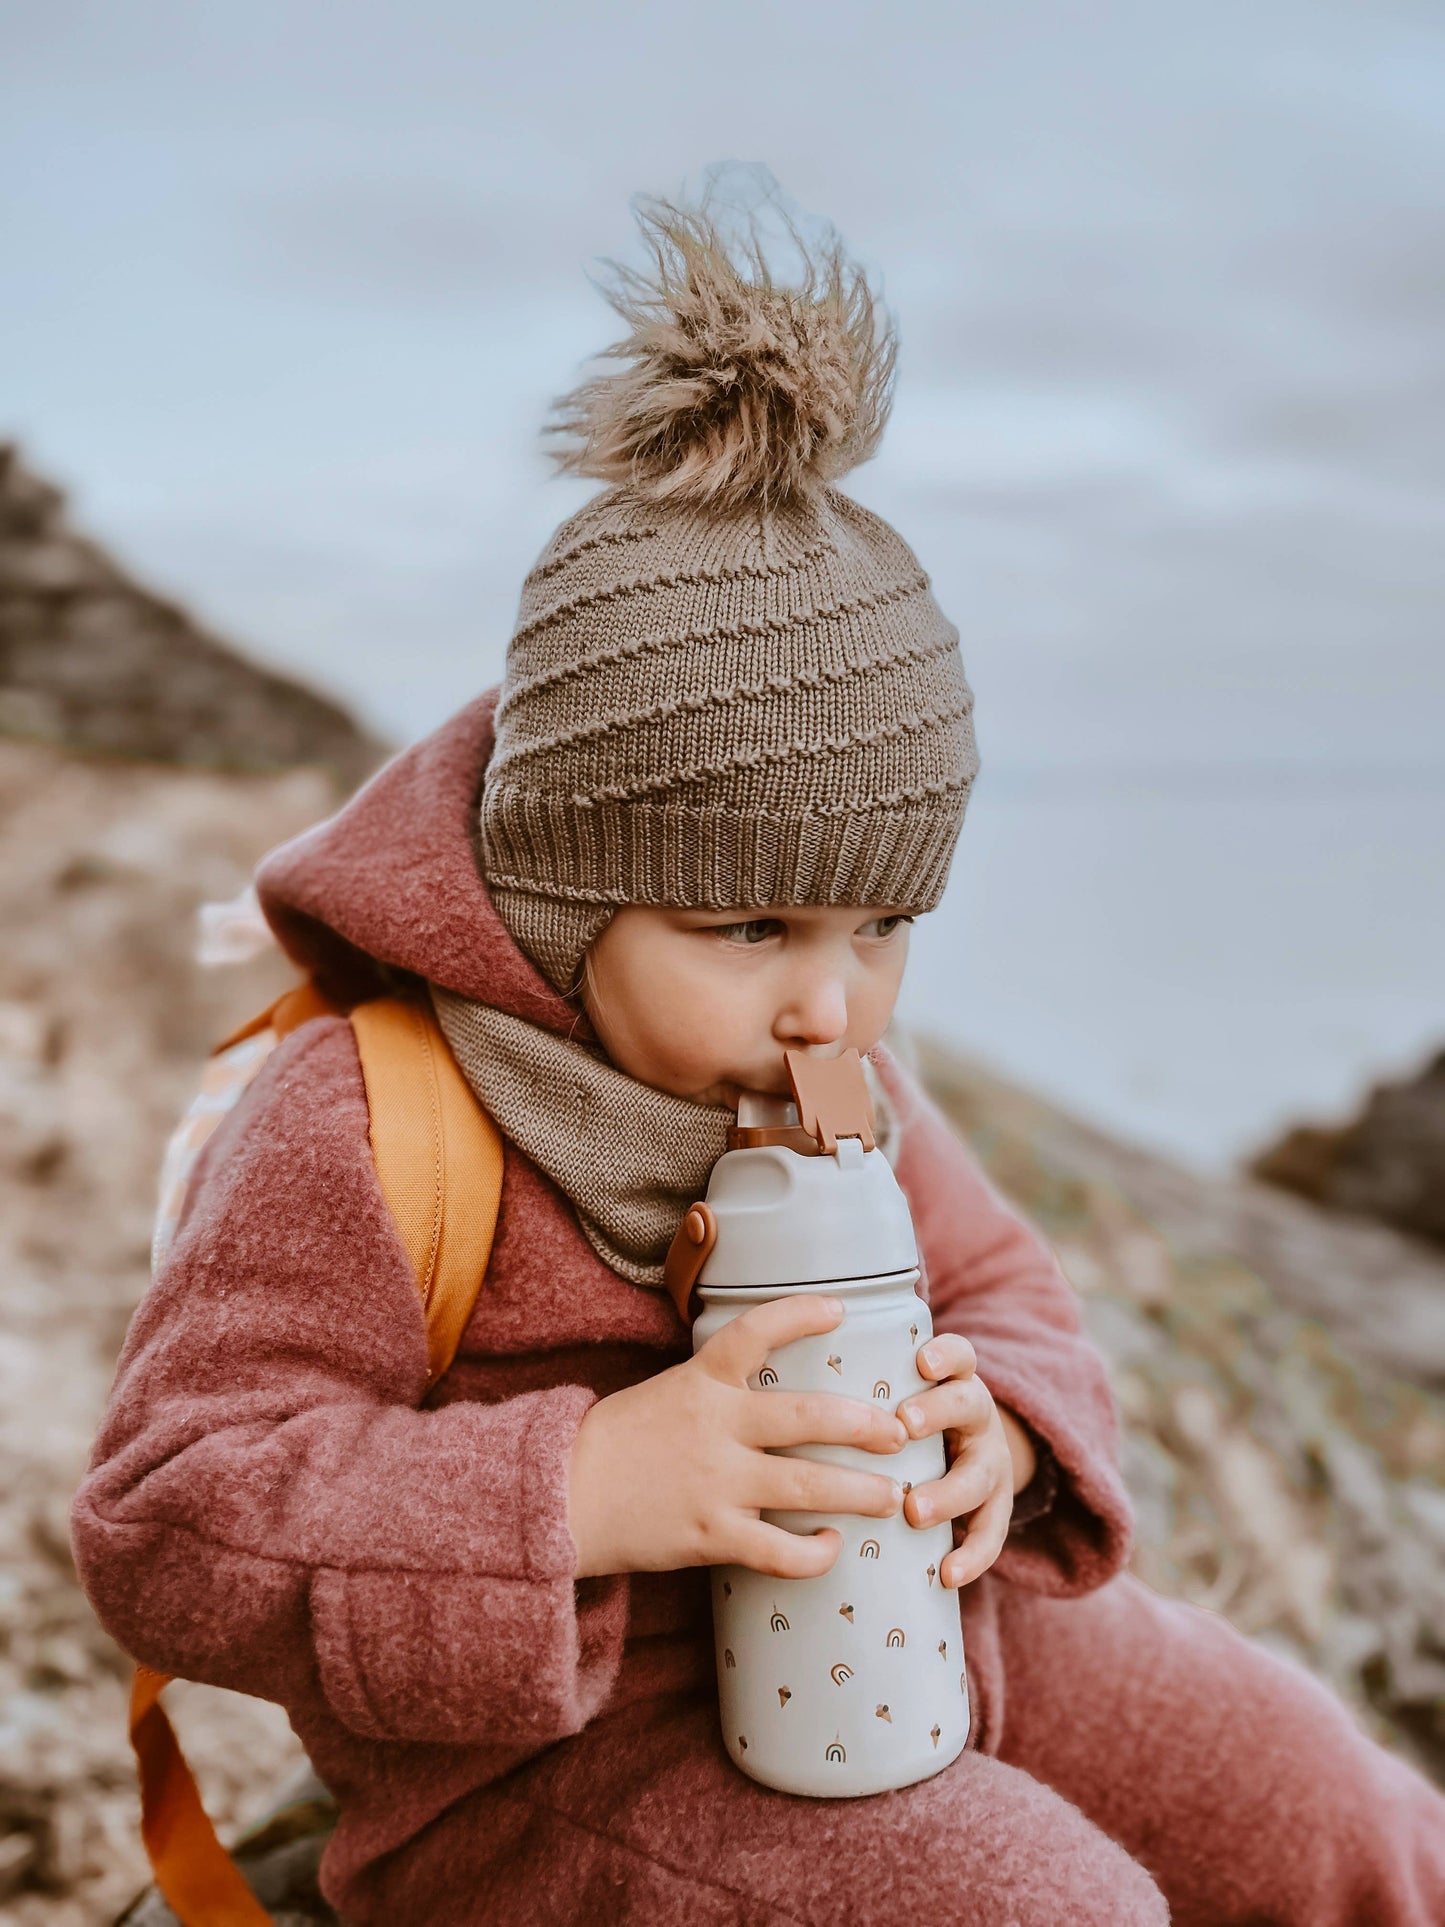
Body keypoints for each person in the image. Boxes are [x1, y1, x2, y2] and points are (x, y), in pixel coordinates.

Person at [73, 184, 1445, 1926]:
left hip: (937, 1634)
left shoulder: (837, 1086)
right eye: (752, 932)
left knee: (1327, 1803)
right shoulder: (378, 1114)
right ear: (571, 894)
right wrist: (578, 1488)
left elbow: (1011, 1291)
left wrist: (1001, 1430)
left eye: (876, 930)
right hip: (564, 1766)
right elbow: (166, 1524)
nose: (831, 1005)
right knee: (1041, 1910)